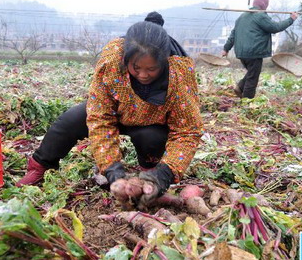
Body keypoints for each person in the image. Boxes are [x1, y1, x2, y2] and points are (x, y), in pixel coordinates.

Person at [18, 21, 203, 204]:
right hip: (116, 112)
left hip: (152, 121)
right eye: (136, 68)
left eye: (151, 69)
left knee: (151, 138)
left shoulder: (179, 75)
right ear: (125, 59)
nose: (143, 75)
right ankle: (40, 166)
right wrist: (112, 169)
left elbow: (187, 131)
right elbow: (100, 118)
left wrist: (165, 173)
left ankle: (149, 173)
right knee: (69, 121)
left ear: (164, 62)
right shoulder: (111, 61)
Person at [221, 0, 298, 99]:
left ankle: (240, 87)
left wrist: (226, 48)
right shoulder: (260, 16)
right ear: (264, 5)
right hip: (254, 52)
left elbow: (233, 35)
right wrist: (291, 19)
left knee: (252, 73)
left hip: (242, 53)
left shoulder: (242, 16)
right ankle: (248, 101)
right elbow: (275, 27)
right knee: (253, 78)